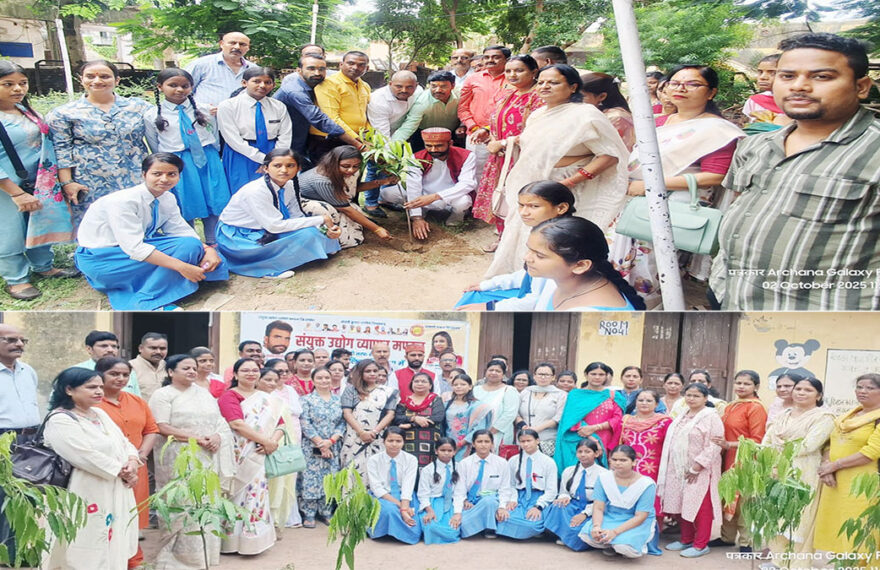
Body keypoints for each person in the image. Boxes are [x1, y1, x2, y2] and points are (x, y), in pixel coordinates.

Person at [709, 33, 879, 311]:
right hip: (731, 296)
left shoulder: (873, 152)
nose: (799, 86)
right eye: (787, 76)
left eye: (821, 76)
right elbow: (739, 208)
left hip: (821, 317)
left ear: (861, 87)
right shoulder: (755, 145)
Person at [610, 64, 745, 306]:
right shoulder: (657, 121)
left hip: (673, 204)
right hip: (633, 197)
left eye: (692, 84)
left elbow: (715, 176)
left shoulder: (718, 131)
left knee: (653, 266)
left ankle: (648, 309)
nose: (681, 88)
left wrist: (652, 186)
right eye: (674, 83)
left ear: (711, 92)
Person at [485, 65, 629, 279]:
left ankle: (555, 284)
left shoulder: (586, 115)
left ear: (573, 87)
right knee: (526, 232)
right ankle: (521, 279)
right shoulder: (538, 114)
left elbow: (609, 156)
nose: (545, 86)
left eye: (553, 82)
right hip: (535, 185)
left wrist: (570, 182)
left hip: (565, 187)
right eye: (541, 82)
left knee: (557, 238)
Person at [74, 153, 228, 310]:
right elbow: (135, 248)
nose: (164, 179)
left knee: (191, 245)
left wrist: (208, 250)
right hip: (104, 260)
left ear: (179, 176)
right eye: (157, 174)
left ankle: (180, 279)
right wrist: (182, 267)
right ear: (144, 174)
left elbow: (180, 230)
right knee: (188, 249)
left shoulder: (167, 198)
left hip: (131, 251)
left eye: (171, 174)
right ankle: (149, 299)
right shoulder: (123, 202)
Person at [43, 367, 139, 569]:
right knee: (87, 538)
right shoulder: (60, 419)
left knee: (113, 537)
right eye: (91, 387)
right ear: (69, 389)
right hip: (85, 489)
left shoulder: (99, 413)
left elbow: (123, 442)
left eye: (100, 387)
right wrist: (121, 471)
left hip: (114, 486)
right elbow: (83, 455)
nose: (99, 392)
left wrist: (131, 461)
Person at [149, 353, 234, 569]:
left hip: (207, 456)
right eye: (186, 368)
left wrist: (217, 437)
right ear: (171, 372)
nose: (192, 371)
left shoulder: (204, 393)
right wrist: (196, 439)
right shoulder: (163, 395)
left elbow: (220, 421)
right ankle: (177, 559)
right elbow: (161, 426)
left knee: (206, 501)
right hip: (177, 457)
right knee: (182, 502)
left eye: (194, 368)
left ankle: (204, 556)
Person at [0, 61, 76, 301]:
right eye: (8, 84)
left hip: (39, 182)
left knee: (39, 223)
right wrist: (15, 192)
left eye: (22, 83)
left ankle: (44, 266)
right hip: (7, 186)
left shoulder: (24, 111)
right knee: (10, 230)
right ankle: (16, 279)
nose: (17, 89)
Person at [47, 60, 151, 226]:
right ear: (81, 79)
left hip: (134, 178)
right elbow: (61, 150)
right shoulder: (64, 113)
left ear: (117, 80)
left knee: (136, 224)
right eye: (90, 76)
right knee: (96, 228)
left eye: (104, 76)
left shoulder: (138, 107)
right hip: (90, 182)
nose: (97, 81)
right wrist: (67, 183)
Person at [217, 148, 341, 278]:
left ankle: (307, 250)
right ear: (265, 168)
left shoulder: (290, 185)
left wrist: (324, 229)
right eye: (277, 166)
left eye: (290, 166)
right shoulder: (255, 191)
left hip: (268, 227)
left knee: (311, 232)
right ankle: (268, 267)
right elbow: (274, 226)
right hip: (239, 235)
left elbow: (296, 215)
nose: (284, 170)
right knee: (307, 235)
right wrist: (321, 219)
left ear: (298, 168)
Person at [144, 68, 230, 246]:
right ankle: (190, 242)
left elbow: (214, 134)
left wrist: (214, 156)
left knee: (213, 199)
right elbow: (154, 144)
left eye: (185, 86)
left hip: (207, 159)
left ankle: (215, 241)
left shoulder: (205, 110)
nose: (179, 90)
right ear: (160, 87)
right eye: (172, 85)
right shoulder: (152, 115)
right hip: (177, 163)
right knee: (184, 202)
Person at [461, 181, 576, 309]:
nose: (524, 212)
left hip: (543, 306)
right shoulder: (543, 232)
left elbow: (541, 299)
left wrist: (491, 307)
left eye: (534, 206)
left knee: (468, 305)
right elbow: (530, 274)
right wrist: (490, 284)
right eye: (521, 205)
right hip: (531, 295)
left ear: (561, 208)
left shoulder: (563, 243)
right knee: (472, 295)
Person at [472, 55, 544, 244]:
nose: (512, 75)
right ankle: (503, 239)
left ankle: (522, 243)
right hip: (500, 157)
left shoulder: (539, 98)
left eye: (519, 70)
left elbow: (540, 132)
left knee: (522, 199)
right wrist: (489, 135)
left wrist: (504, 143)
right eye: (508, 71)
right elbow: (496, 122)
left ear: (534, 72)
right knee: (501, 199)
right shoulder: (508, 94)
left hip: (523, 158)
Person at [94, 357, 158, 569]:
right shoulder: (92, 404)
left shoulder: (137, 401)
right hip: (107, 469)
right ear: (100, 375)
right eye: (114, 374)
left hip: (136, 466)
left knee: (133, 514)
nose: (120, 378)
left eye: (125, 375)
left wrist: (141, 455)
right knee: (109, 514)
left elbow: (151, 429)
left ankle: (133, 559)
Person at [762, 377, 835, 562]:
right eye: (798, 389)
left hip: (804, 471)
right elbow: (766, 441)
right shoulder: (783, 415)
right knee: (776, 513)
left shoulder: (824, 417)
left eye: (808, 390)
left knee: (799, 516)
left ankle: (798, 563)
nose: (801, 393)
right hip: (776, 469)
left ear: (818, 396)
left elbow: (808, 445)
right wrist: (771, 460)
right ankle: (777, 560)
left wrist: (778, 447)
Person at [217, 357, 284, 555]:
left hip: (260, 454)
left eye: (255, 370)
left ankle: (252, 540)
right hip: (238, 454)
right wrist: (266, 441)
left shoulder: (267, 398)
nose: (251, 373)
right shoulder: (229, 396)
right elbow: (236, 424)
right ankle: (230, 542)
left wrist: (272, 442)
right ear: (235, 374)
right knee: (235, 493)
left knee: (257, 492)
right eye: (245, 370)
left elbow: (280, 424)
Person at [510, 217, 647, 310]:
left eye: (540, 255)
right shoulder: (557, 277)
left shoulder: (592, 316)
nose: (527, 258)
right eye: (529, 250)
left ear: (580, 266)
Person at [814, 373, 880, 557]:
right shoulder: (847, 417)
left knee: (859, 526)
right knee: (838, 525)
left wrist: (834, 466)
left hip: (862, 482)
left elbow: (871, 452)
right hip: (835, 481)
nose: (862, 391)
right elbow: (829, 444)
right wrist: (827, 467)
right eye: (859, 387)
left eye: (870, 388)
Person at [657, 383, 724, 558]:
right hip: (678, 469)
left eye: (696, 396)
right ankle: (686, 539)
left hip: (701, 470)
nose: (691, 399)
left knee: (701, 507)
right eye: (688, 395)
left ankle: (701, 544)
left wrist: (697, 466)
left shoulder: (711, 417)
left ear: (705, 398)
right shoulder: (682, 415)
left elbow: (714, 445)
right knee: (681, 503)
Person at [380, 127, 475, 237]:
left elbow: (467, 184)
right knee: (387, 193)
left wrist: (435, 196)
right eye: (429, 146)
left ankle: (456, 218)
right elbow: (413, 186)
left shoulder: (467, 156)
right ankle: (421, 211)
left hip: (450, 195)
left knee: (463, 201)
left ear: (450, 143)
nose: (433, 150)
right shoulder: (417, 157)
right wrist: (417, 217)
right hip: (424, 194)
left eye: (439, 146)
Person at [710, 370, 767, 550]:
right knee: (727, 496)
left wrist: (730, 444)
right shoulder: (731, 406)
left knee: (744, 501)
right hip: (728, 458)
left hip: (746, 460)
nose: (741, 387)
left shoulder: (756, 407)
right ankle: (727, 537)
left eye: (747, 384)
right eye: (738, 383)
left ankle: (746, 542)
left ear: (756, 387)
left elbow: (758, 440)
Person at [298, 145, 394, 248]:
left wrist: (383, 182)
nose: (351, 170)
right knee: (335, 212)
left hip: (331, 200)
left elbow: (352, 188)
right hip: (306, 203)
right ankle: (332, 241)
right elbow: (346, 209)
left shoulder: (340, 172)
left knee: (354, 210)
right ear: (333, 163)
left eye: (356, 166)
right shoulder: (323, 180)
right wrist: (377, 229)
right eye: (345, 166)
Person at [0, 324, 40, 561]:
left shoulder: (28, 371)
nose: (19, 344)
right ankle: (8, 554)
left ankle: (21, 551)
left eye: (23, 340)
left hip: (30, 440)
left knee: (27, 494)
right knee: (5, 496)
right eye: (11, 340)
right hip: (3, 438)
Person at [217, 67, 292, 193]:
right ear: (244, 83)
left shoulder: (279, 106)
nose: (262, 86)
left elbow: (285, 134)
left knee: (273, 190)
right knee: (242, 191)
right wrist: (264, 159)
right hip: (241, 154)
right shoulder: (228, 106)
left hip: (273, 152)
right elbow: (232, 138)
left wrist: (275, 159)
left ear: (273, 85)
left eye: (267, 82)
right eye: (256, 81)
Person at [273, 54, 357, 162]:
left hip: (301, 139)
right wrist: (357, 143)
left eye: (321, 69)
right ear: (299, 70)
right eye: (311, 69)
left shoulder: (317, 86)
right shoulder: (295, 91)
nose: (317, 73)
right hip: (283, 141)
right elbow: (318, 118)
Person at [579, 445, 657, 558]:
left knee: (624, 547)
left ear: (634, 462)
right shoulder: (604, 478)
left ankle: (618, 545)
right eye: (614, 459)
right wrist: (596, 526)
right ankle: (610, 545)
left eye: (623, 460)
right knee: (586, 535)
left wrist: (615, 532)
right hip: (611, 516)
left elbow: (640, 516)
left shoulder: (646, 484)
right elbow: (598, 507)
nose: (618, 463)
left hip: (634, 521)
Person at [620, 389, 671, 555]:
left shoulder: (665, 422)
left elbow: (671, 447)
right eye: (640, 400)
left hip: (653, 469)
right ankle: (623, 537)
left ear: (657, 404)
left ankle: (650, 542)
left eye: (649, 401)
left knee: (650, 503)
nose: (644, 403)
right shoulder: (625, 420)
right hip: (627, 470)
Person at [364, 70, 421, 218]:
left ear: (416, 86)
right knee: (376, 169)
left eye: (409, 87)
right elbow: (381, 133)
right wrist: (388, 156)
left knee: (393, 170)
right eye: (399, 86)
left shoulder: (419, 93)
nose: (404, 90)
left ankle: (385, 199)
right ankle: (370, 204)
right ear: (390, 84)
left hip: (398, 135)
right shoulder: (378, 100)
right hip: (377, 136)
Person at [557, 362, 626, 472]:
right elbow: (570, 419)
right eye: (593, 374)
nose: (597, 377)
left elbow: (618, 419)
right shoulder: (575, 395)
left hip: (605, 439)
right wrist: (591, 437)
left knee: (602, 473)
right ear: (586, 374)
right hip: (580, 438)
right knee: (577, 472)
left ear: (606, 376)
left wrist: (595, 428)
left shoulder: (614, 395)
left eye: (601, 374)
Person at [340, 358, 398, 486]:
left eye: (375, 371)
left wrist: (374, 432)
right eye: (368, 371)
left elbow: (390, 414)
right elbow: (347, 413)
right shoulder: (351, 390)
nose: (372, 374)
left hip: (376, 438)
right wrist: (361, 432)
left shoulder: (388, 392)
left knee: (376, 474)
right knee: (352, 475)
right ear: (360, 373)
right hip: (354, 437)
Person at [300, 365, 345, 528]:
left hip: (333, 445)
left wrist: (330, 441)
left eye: (327, 377)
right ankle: (309, 513)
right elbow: (305, 423)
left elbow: (342, 422)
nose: (324, 381)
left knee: (330, 477)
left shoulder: (339, 400)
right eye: (319, 378)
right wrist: (320, 443)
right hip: (311, 445)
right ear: (313, 381)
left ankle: (326, 511)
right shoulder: (306, 400)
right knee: (310, 478)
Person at [449, 430, 516, 538]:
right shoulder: (464, 463)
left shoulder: (502, 463)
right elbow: (459, 490)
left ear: (492, 444)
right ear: (473, 444)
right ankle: (481, 524)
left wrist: (502, 507)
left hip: (492, 501)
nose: (483, 445)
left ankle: (490, 527)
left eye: (487, 441)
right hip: (471, 502)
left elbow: (505, 488)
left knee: (489, 502)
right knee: (462, 525)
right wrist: (458, 512)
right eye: (479, 441)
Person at [496, 429, 559, 540]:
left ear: (537, 441)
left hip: (539, 498)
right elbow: (510, 484)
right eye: (522, 441)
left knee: (533, 524)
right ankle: (524, 530)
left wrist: (538, 506)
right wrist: (512, 499)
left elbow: (551, 491)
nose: (525, 444)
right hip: (519, 497)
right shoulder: (513, 460)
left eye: (529, 440)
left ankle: (530, 529)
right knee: (504, 518)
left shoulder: (548, 462)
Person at [544, 438, 606, 551]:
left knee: (580, 533)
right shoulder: (569, 471)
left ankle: (567, 535)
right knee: (556, 506)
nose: (583, 455)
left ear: (596, 453)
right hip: (573, 505)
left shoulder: (604, 475)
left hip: (593, 508)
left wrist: (585, 514)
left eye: (587, 451)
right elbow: (564, 491)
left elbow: (603, 502)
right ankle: (566, 534)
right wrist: (564, 497)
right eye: (580, 452)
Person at [458, 45, 510, 180]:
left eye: (496, 57)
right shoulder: (473, 78)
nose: (490, 60)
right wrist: (475, 129)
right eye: (487, 57)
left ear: (506, 59)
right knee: (477, 174)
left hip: (505, 136)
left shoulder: (513, 79)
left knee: (504, 173)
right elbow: (463, 108)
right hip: (476, 136)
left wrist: (488, 129)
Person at [312, 51, 371, 161]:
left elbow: (366, 114)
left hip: (355, 141)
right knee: (328, 172)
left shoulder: (365, 86)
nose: (355, 67)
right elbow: (332, 118)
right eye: (351, 63)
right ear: (341, 65)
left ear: (367, 68)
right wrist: (357, 141)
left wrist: (368, 136)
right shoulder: (329, 84)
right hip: (329, 140)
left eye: (361, 65)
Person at [367, 427, 422, 544]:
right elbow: (376, 488)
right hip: (383, 496)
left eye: (398, 441)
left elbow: (408, 485)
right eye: (390, 441)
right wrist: (402, 508)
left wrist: (405, 506)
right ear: (383, 441)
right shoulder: (373, 460)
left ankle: (399, 532)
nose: (394, 444)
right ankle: (384, 532)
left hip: (405, 496)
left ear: (404, 442)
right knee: (390, 510)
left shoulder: (411, 459)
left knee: (414, 528)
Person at [392, 70, 462, 152]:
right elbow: (408, 127)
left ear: (453, 86)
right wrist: (390, 148)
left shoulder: (460, 94)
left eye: (443, 86)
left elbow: (468, 111)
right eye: (434, 86)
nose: (438, 90)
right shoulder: (422, 102)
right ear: (429, 86)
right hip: (423, 136)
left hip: (453, 134)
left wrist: (462, 125)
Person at [186, 32, 252, 108]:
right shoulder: (201, 64)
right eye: (232, 43)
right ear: (221, 44)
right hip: (206, 114)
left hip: (241, 114)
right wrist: (202, 107)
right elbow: (182, 91)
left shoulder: (253, 69)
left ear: (248, 48)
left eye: (242, 44)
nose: (237, 47)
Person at [394, 371, 446, 466]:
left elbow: (437, 417)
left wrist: (412, 425)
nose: (420, 384)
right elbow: (397, 418)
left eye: (423, 381)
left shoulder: (435, 400)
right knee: (409, 467)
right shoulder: (405, 401)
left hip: (430, 441)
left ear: (430, 385)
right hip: (408, 441)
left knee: (428, 470)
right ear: (412, 384)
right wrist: (414, 418)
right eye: (416, 381)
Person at [517, 362, 567, 456]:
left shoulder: (560, 395)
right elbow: (516, 413)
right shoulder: (526, 392)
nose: (543, 377)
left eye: (547, 375)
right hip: (524, 438)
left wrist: (536, 429)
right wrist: (523, 426)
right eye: (540, 374)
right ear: (534, 376)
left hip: (547, 439)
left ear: (553, 377)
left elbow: (559, 417)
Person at [417, 438, 461, 544]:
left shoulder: (459, 467)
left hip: (451, 502)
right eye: (442, 450)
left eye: (450, 450)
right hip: (434, 502)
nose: (446, 453)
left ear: (454, 452)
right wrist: (430, 510)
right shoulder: (428, 470)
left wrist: (457, 513)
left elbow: (460, 492)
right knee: (430, 526)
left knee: (453, 529)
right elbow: (423, 494)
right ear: (436, 451)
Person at [473, 359, 520, 453]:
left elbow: (510, 414)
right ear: (486, 372)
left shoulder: (509, 390)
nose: (493, 373)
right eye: (491, 370)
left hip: (498, 433)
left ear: (503, 374)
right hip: (476, 432)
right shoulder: (476, 390)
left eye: (498, 371)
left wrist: (491, 431)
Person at [74, 330, 140, 395]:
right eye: (104, 346)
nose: (110, 350)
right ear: (89, 349)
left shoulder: (126, 372)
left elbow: (137, 398)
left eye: (114, 346)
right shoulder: (77, 371)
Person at [580, 72, 635, 151]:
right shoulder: (598, 112)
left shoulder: (616, 118)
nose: (574, 100)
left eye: (581, 96)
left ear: (602, 96)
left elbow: (606, 152)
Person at [445, 372, 493, 461]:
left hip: (468, 444)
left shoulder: (478, 406)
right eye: (455, 385)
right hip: (447, 444)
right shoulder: (446, 404)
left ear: (470, 387)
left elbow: (479, 429)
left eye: (463, 384)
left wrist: (461, 444)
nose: (458, 387)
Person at [741, 54, 790, 126]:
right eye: (760, 72)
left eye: (773, 73)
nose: (763, 77)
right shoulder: (754, 101)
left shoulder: (798, 102)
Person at [129, 332, 168, 403]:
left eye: (162, 348)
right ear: (140, 348)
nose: (158, 352)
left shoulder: (169, 367)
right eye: (153, 348)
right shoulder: (130, 367)